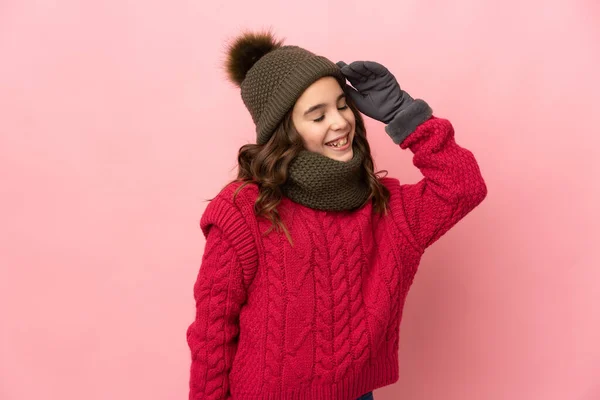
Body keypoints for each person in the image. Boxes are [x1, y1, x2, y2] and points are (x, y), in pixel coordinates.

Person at [186, 30, 487, 400]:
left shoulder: (386, 209)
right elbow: (212, 333)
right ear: (284, 131)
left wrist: (402, 113)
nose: (341, 123)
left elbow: (462, 185)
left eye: (343, 105)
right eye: (317, 115)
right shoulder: (244, 211)